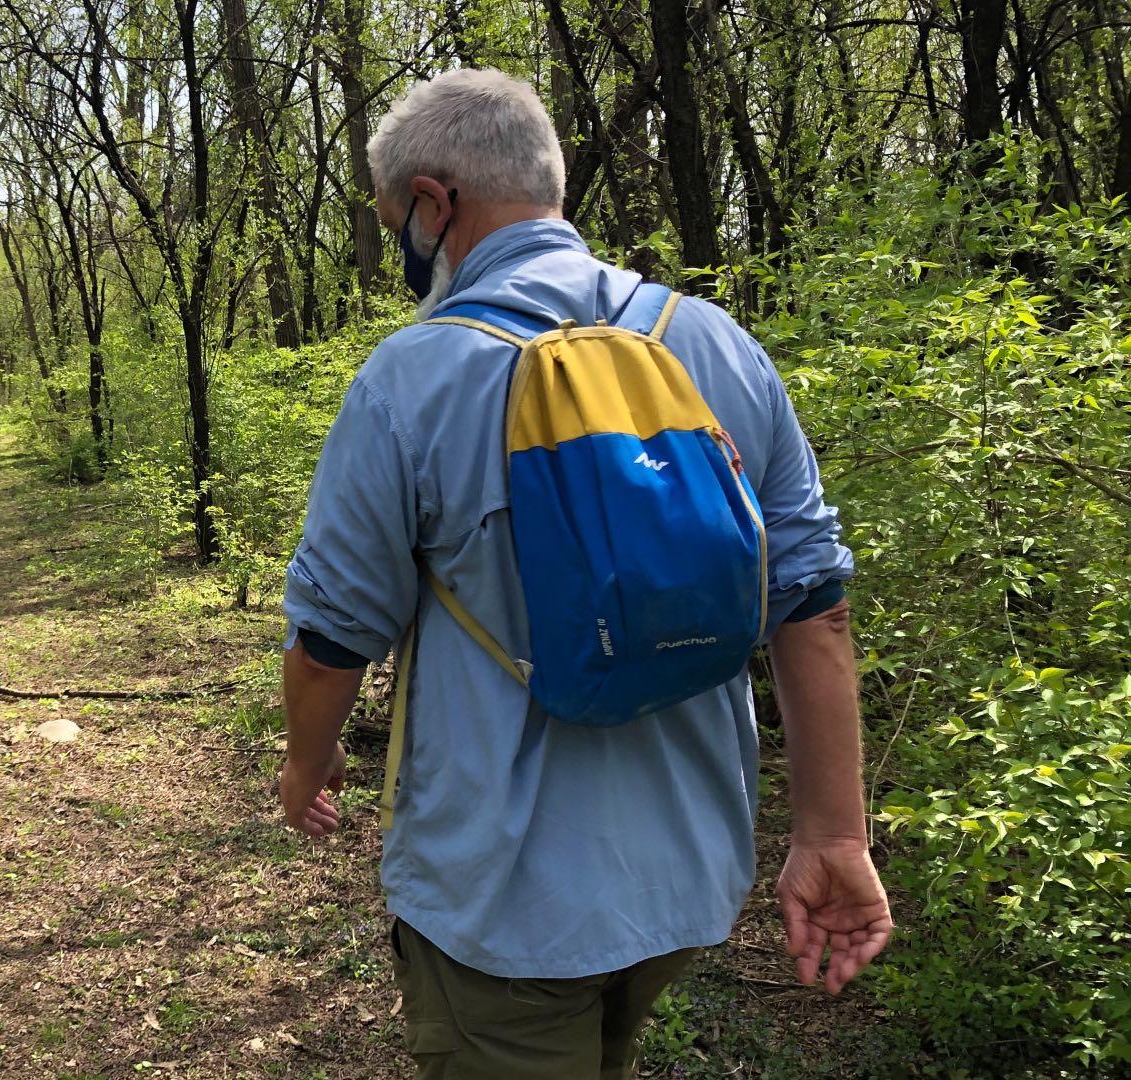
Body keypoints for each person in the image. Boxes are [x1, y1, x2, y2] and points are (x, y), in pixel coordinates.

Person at [277, 68, 891, 1079]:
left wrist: (307, 765)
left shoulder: (412, 378)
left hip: (501, 905)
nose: (401, 249)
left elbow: (334, 636)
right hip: (686, 882)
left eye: (396, 223)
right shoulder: (715, 345)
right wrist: (832, 832)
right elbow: (814, 610)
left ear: (434, 203)